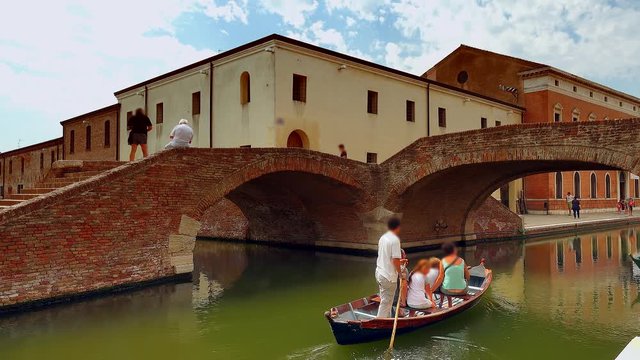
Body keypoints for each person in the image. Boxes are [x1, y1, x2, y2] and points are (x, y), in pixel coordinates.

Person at [375, 217, 406, 318]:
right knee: (386, 303)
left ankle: (386, 319)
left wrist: (400, 262)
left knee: (384, 300)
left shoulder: (382, 238)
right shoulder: (395, 240)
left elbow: (386, 257)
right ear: (398, 227)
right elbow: (395, 260)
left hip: (379, 273)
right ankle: (380, 323)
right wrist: (400, 274)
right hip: (388, 276)